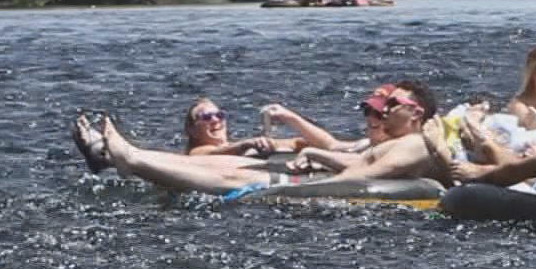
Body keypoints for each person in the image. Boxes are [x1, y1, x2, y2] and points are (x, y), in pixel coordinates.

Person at [71, 81, 443, 195]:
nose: (378, 111)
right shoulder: (388, 141)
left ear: (415, 113)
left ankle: (132, 160)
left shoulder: (415, 143)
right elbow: (352, 157)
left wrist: (304, 179)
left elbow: (365, 176)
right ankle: (122, 156)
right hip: (317, 173)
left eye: (389, 105)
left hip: (320, 184)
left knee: (237, 173)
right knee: (228, 162)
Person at [181, 97, 342, 157]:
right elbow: (212, 154)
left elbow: (324, 145)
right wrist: (248, 144)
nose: (215, 120)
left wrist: (290, 118)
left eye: (220, 115)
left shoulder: (237, 145)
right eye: (206, 117)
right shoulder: (197, 153)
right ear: (192, 130)